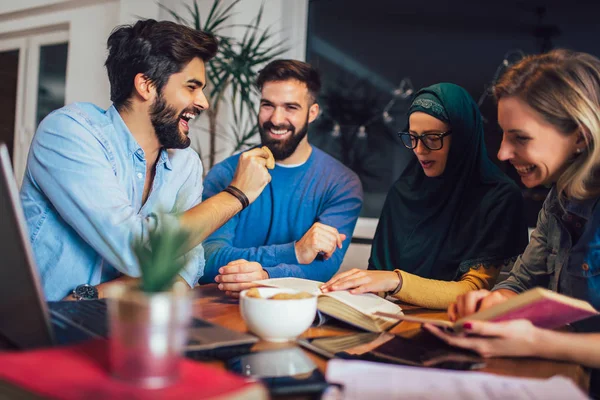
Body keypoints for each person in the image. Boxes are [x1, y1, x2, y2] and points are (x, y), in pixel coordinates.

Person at [20, 19, 272, 301]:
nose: (203, 102)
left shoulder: (185, 163)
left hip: (125, 323)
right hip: (44, 330)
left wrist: (97, 294)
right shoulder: (69, 132)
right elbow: (136, 249)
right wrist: (235, 194)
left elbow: (185, 269)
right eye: (192, 87)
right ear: (146, 85)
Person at [321, 83, 528, 309]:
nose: (419, 149)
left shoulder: (498, 197)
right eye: (412, 137)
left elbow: (474, 289)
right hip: (393, 318)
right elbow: (378, 278)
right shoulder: (403, 192)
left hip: (456, 325)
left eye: (432, 137)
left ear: (462, 137)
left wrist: (395, 281)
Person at [447, 49, 600, 323]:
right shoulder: (558, 202)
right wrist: (493, 300)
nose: (503, 153)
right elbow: (520, 284)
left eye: (520, 138)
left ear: (580, 136)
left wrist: (533, 342)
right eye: (504, 134)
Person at [200, 59, 363, 297]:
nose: (276, 119)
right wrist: (295, 252)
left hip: (298, 313)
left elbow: (323, 267)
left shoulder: (341, 183)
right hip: (221, 306)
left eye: (291, 107)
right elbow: (206, 260)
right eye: (268, 105)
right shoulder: (226, 174)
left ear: (312, 113)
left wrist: (266, 276)